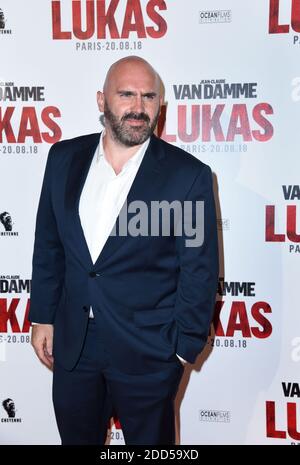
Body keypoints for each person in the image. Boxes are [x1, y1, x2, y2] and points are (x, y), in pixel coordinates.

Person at [29, 56, 219, 445]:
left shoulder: (188, 176)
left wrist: (181, 351)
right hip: (74, 344)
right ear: (102, 100)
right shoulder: (63, 159)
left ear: (159, 106)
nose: (138, 107)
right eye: (126, 94)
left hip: (149, 350)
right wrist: (43, 317)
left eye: (149, 97)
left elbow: (199, 270)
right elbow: (49, 245)